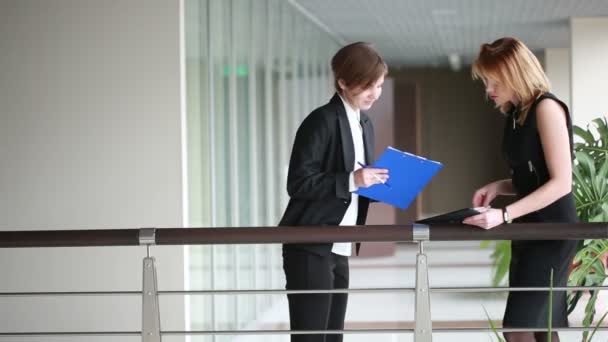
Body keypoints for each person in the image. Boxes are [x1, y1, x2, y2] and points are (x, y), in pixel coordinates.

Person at [463, 37, 578, 342]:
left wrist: (504, 213)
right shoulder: (516, 115)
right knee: (540, 328)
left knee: (519, 328)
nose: (489, 90)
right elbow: (532, 178)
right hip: (528, 230)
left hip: (552, 233)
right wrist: (497, 186)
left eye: (493, 81)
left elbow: (561, 182)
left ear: (515, 74)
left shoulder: (547, 108)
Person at [279, 42, 388, 342]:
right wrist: (353, 180)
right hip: (310, 246)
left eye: (378, 85)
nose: (375, 94)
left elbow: (353, 183)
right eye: (368, 86)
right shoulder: (321, 121)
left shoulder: (364, 122)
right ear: (342, 81)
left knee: (332, 338)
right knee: (311, 338)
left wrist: (379, 184)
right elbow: (299, 183)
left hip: (339, 246)